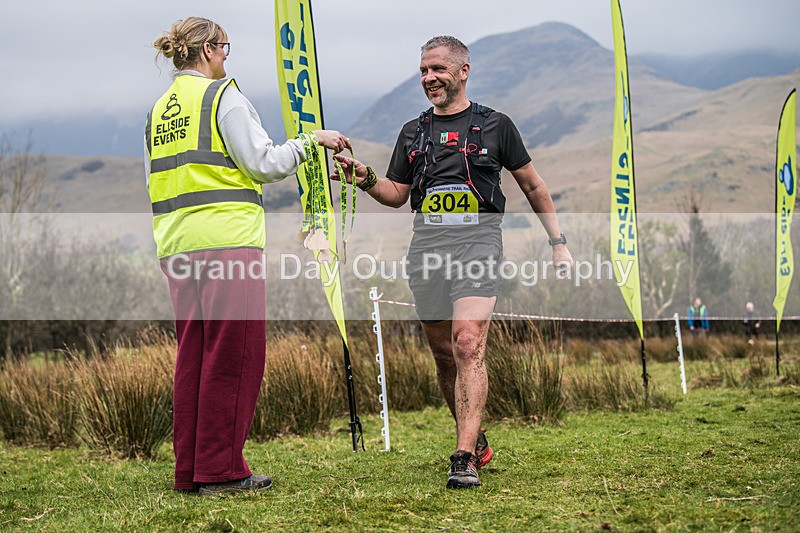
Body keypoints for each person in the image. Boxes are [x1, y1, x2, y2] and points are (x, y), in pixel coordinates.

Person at [332, 36, 573, 489]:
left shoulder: (496, 126)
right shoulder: (413, 131)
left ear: (463, 71)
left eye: (438, 69)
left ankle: (463, 457)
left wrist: (557, 242)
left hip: (478, 245)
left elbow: (534, 187)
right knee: (444, 355)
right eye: (423, 71)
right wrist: (363, 177)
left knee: (467, 344)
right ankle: (476, 436)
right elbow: (396, 194)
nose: (429, 78)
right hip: (426, 248)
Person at [146, 17, 349, 496]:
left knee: (194, 356)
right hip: (226, 241)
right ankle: (221, 471)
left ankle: (191, 470)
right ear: (210, 50)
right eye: (225, 47)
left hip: (175, 243)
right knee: (236, 353)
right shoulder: (223, 97)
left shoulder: (160, 109)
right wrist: (309, 142)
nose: (226, 56)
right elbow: (262, 163)